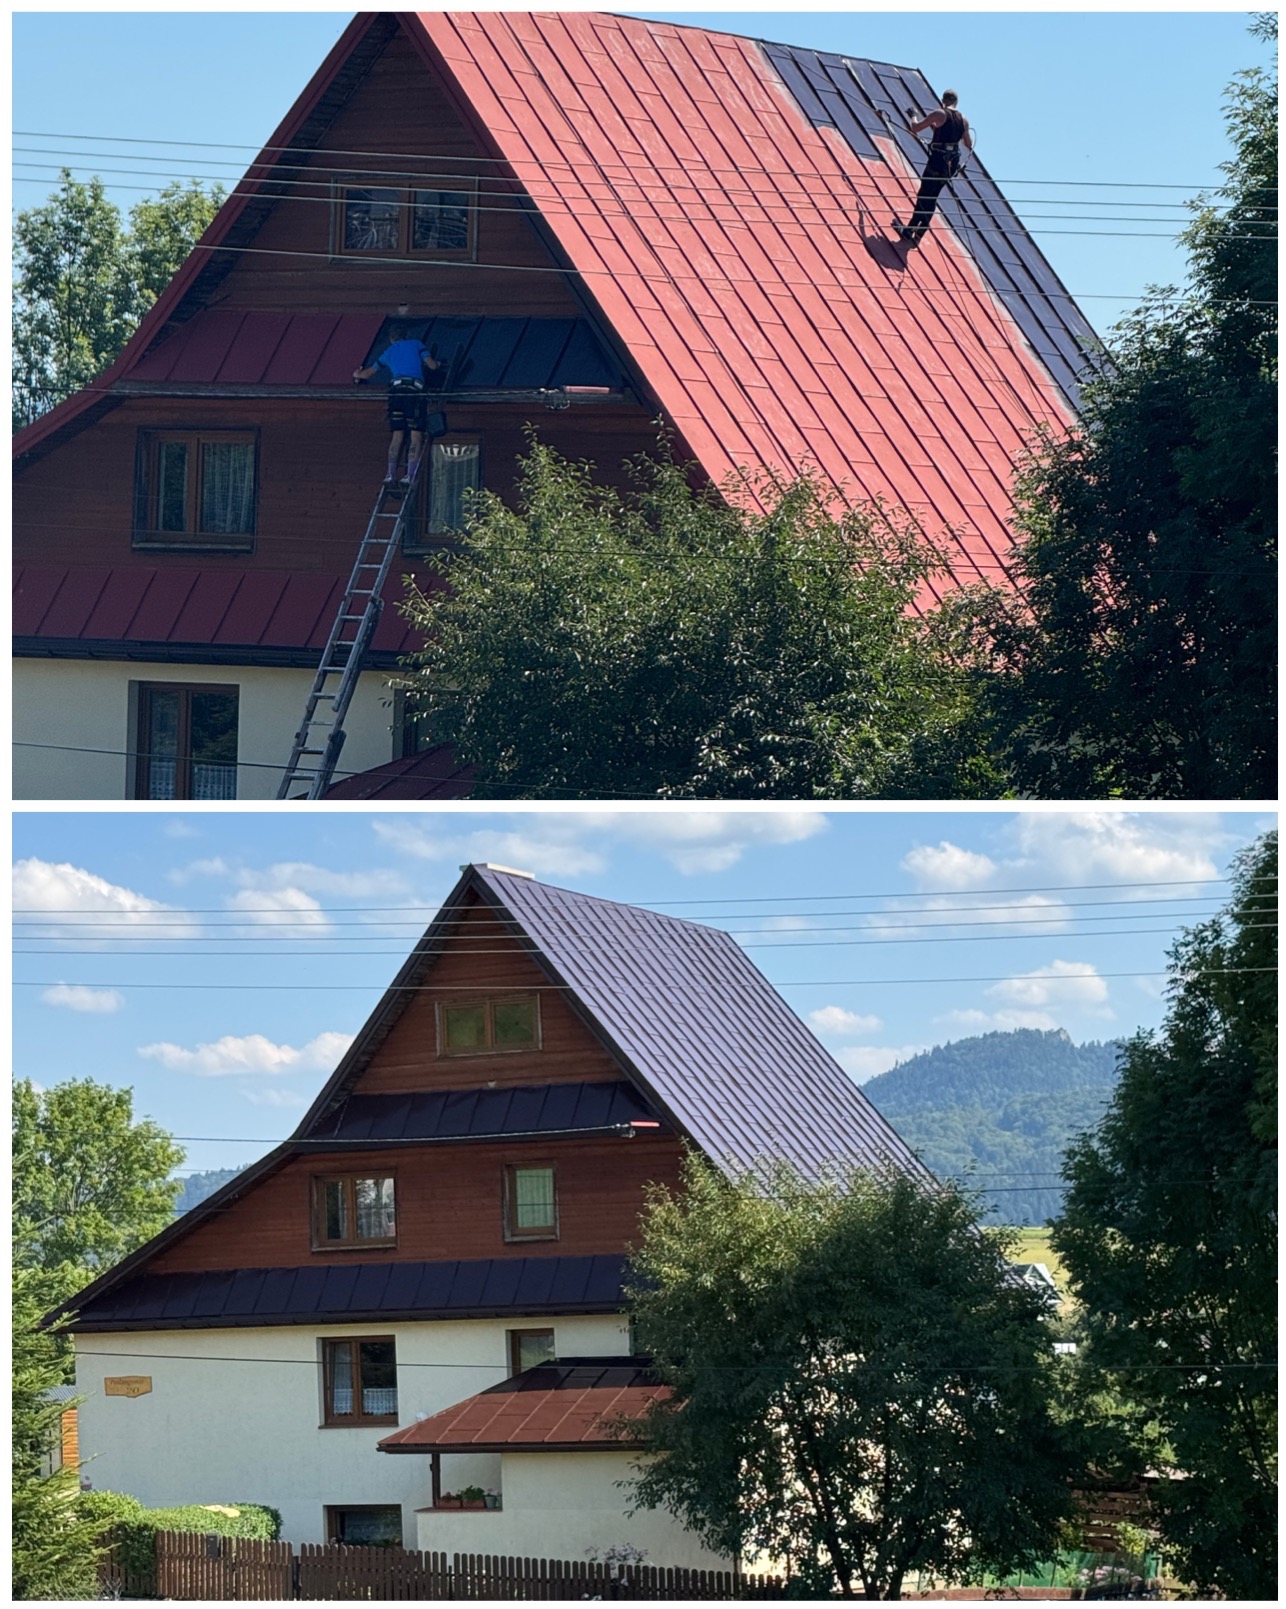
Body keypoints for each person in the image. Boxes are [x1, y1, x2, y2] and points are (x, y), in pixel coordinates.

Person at [352, 322, 441, 487]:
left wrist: (357, 374)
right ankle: (410, 475)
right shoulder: (417, 345)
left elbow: (369, 373)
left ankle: (390, 474)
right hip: (414, 391)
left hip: (396, 392)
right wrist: (438, 364)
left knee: (397, 434)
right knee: (416, 434)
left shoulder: (389, 351)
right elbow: (432, 366)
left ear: (391, 338)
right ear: (405, 335)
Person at [897, 90, 972, 248]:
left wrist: (913, 115)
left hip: (937, 160)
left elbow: (915, 128)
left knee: (924, 194)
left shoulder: (939, 114)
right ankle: (919, 232)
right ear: (956, 102)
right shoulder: (963, 120)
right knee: (932, 196)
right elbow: (968, 144)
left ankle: (909, 230)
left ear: (943, 100)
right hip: (951, 164)